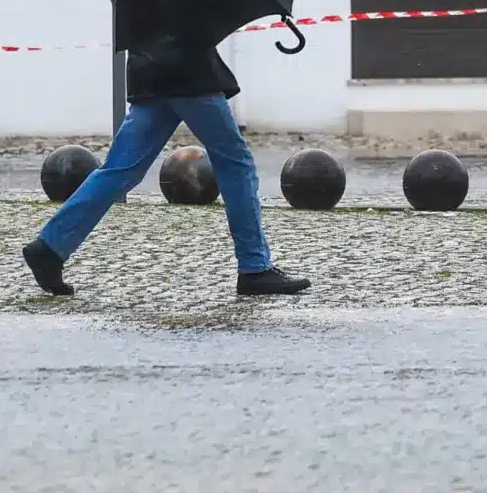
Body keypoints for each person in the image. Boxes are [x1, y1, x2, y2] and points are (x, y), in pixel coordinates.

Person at [21, 27, 310, 298]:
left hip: (150, 73)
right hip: (190, 75)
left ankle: (50, 247)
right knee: (236, 163)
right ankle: (255, 267)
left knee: (120, 169)